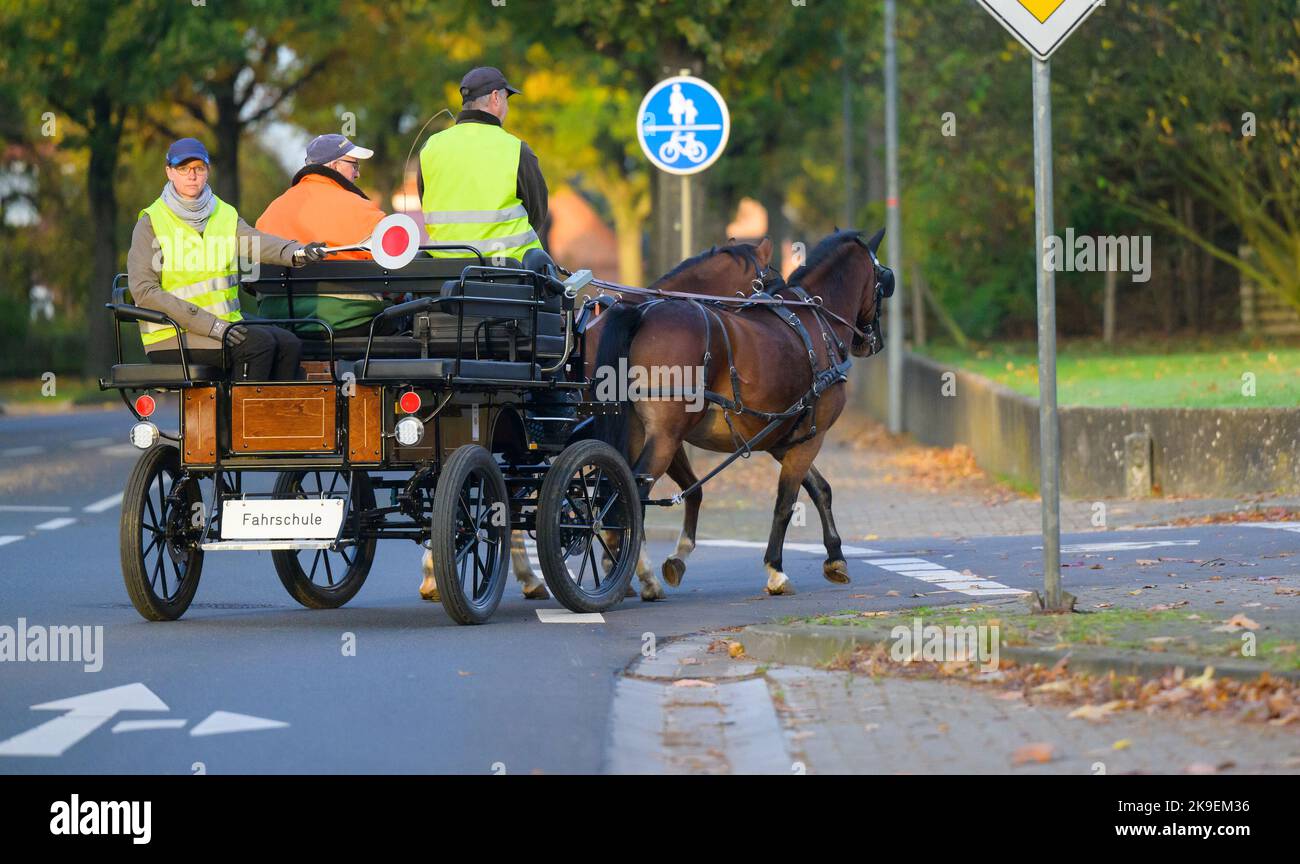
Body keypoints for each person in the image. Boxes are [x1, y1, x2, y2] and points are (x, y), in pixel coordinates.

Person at [127, 138, 326, 380]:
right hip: (170, 333)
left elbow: (256, 241)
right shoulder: (151, 221)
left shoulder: (222, 213)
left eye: (198, 168)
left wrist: (299, 252)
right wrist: (212, 326)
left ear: (207, 171)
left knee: (289, 343)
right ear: (169, 172)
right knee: (258, 346)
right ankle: (237, 418)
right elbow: (144, 291)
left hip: (222, 323)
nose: (192, 175)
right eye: (183, 169)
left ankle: (274, 416)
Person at [256, 134, 397, 337]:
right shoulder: (362, 210)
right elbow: (392, 270)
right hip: (348, 321)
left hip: (279, 322)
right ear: (334, 166)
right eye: (354, 165)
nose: (357, 174)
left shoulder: (271, 211)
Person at [417, 66, 548, 261]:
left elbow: (426, 200)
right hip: (511, 272)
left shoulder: (430, 147)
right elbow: (537, 213)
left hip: (443, 272)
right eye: (506, 99)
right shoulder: (515, 148)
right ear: (495, 97)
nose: (507, 107)